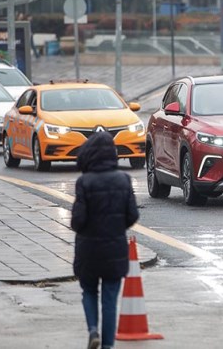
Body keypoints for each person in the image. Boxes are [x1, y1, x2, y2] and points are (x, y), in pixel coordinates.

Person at [71, 131, 139, 349]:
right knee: (109, 299)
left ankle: (93, 330)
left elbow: (77, 221)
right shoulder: (124, 180)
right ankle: (108, 345)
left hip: (88, 250)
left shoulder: (84, 182)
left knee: (89, 291)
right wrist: (116, 227)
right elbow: (133, 215)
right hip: (115, 249)